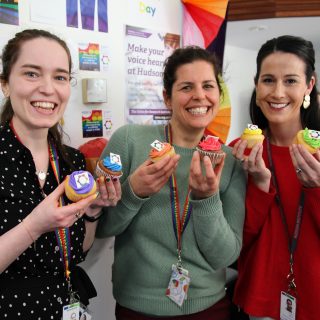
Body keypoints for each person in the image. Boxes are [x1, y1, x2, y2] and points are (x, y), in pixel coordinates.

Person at [96, 46, 246, 319]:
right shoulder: (129, 141)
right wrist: (133, 193)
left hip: (208, 307)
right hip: (138, 306)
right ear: (167, 97)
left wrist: (207, 199)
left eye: (208, 86)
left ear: (218, 95)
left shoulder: (230, 161)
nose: (199, 96)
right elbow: (101, 227)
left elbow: (225, 256)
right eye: (186, 87)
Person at [0, 29, 121, 319]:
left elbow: (78, 251)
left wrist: (91, 211)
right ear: (5, 84)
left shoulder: (72, 161)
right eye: (31, 74)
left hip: (64, 305)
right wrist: (33, 227)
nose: (48, 89)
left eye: (60, 77)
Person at [231, 35, 320, 320]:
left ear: (310, 85)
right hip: (258, 301)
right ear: (257, 86)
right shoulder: (239, 152)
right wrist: (258, 186)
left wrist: (317, 189)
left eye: (291, 81)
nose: (278, 92)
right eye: (268, 80)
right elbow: (233, 243)